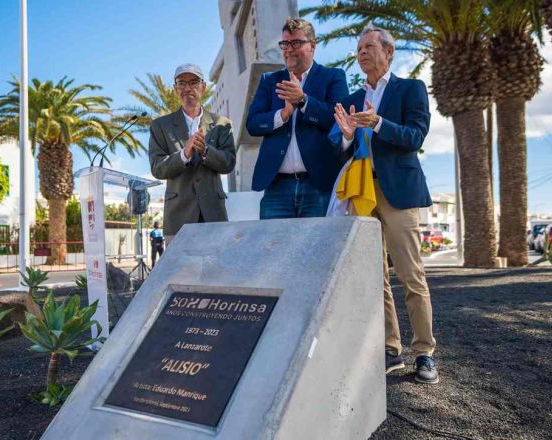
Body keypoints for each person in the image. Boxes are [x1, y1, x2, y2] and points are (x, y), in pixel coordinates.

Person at [333, 25, 438, 384]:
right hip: (363, 194)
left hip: (399, 194)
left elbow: (415, 137)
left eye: (369, 46)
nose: (362, 52)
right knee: (375, 276)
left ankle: (424, 352)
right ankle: (390, 349)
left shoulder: (410, 89)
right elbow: (343, 147)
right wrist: (347, 137)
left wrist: (378, 123)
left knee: (411, 276)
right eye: (359, 48)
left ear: (388, 52)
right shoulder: (353, 96)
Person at [246, 18, 349, 219]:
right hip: (277, 188)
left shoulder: (333, 77)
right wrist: (282, 115)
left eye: (296, 43)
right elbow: (253, 124)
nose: (289, 49)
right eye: (285, 44)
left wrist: (303, 101)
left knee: (318, 248)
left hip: (318, 185)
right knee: (272, 249)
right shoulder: (270, 81)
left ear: (312, 45)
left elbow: (337, 119)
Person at [149, 63, 236, 243]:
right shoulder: (160, 126)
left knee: (215, 270)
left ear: (203, 87)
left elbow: (229, 163)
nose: (187, 88)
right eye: (181, 83)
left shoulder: (222, 124)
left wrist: (205, 151)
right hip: (178, 218)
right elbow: (157, 168)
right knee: (181, 272)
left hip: (214, 215)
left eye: (193, 82)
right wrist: (183, 155)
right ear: (175, 89)